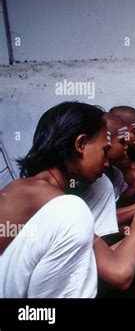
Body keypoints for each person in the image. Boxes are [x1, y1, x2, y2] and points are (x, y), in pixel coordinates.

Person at [0, 102, 105, 297]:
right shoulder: (58, 203)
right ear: (80, 144)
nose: (106, 162)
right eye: (104, 151)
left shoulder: (40, 191)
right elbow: (119, 271)